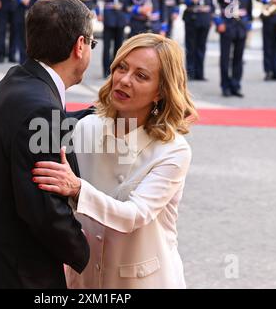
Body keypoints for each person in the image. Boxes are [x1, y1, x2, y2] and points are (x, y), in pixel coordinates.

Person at [0, 0, 95, 289]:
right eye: (92, 43)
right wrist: (87, 253)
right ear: (79, 46)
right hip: (8, 272)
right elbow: (43, 212)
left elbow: (31, 131)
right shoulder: (42, 109)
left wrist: (96, 114)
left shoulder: (17, 81)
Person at [32, 33, 198, 288]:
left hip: (144, 281)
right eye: (122, 67)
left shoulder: (173, 151)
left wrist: (77, 189)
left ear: (161, 92)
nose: (124, 80)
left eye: (141, 76)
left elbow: (134, 215)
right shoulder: (85, 128)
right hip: (85, 278)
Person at [213, 0, 253, 97]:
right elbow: (215, 3)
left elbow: (249, 7)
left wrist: (249, 23)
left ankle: (236, 85)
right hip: (226, 25)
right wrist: (218, 22)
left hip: (241, 26)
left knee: (239, 58)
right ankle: (225, 86)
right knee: (225, 58)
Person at [181, 0, 215, 80]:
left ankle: (200, 73)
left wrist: (212, 18)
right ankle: (190, 73)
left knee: (201, 47)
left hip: (205, 20)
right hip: (192, 19)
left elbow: (212, 4)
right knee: (190, 47)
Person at [100, 0, 129, 78]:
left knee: (118, 46)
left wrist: (123, 6)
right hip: (109, 17)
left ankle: (115, 69)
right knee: (107, 46)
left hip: (121, 17)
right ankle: (106, 71)